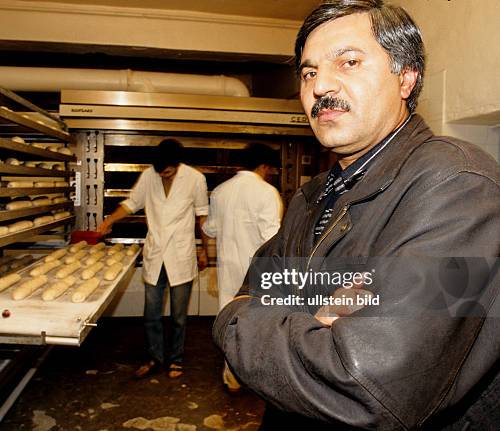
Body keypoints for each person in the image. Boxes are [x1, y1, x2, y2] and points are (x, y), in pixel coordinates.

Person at [213, 1, 499, 429]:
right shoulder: (312, 196)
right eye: (309, 72)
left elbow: (369, 388)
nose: (321, 85)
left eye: (348, 62)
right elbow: (259, 283)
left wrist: (234, 319)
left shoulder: (458, 186)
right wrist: (309, 317)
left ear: (405, 78)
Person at [98, 139, 208, 379]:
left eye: (166, 171)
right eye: (159, 171)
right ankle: (154, 358)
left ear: (177, 165)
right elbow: (131, 203)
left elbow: (202, 217)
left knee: (179, 317)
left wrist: (205, 250)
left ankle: (176, 360)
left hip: (180, 253)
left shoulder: (195, 179)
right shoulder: (150, 175)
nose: (162, 175)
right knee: (151, 314)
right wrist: (109, 221)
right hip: (156, 252)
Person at [202, 143, 283, 393]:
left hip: (228, 268)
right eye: (270, 169)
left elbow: (210, 229)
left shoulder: (221, 191)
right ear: (263, 166)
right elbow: (273, 238)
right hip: (259, 272)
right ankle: (255, 378)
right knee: (258, 326)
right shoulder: (267, 192)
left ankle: (231, 375)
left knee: (231, 322)